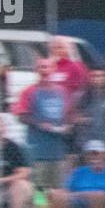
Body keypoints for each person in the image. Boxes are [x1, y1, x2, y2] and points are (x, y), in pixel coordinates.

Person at [13, 57, 72, 190]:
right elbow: (20, 116)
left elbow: (69, 115)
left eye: (48, 67)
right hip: (37, 151)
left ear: (54, 69)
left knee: (59, 190)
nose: (45, 70)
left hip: (58, 152)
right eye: (41, 67)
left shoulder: (62, 92)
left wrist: (68, 126)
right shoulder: (29, 92)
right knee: (38, 190)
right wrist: (39, 123)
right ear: (36, 70)